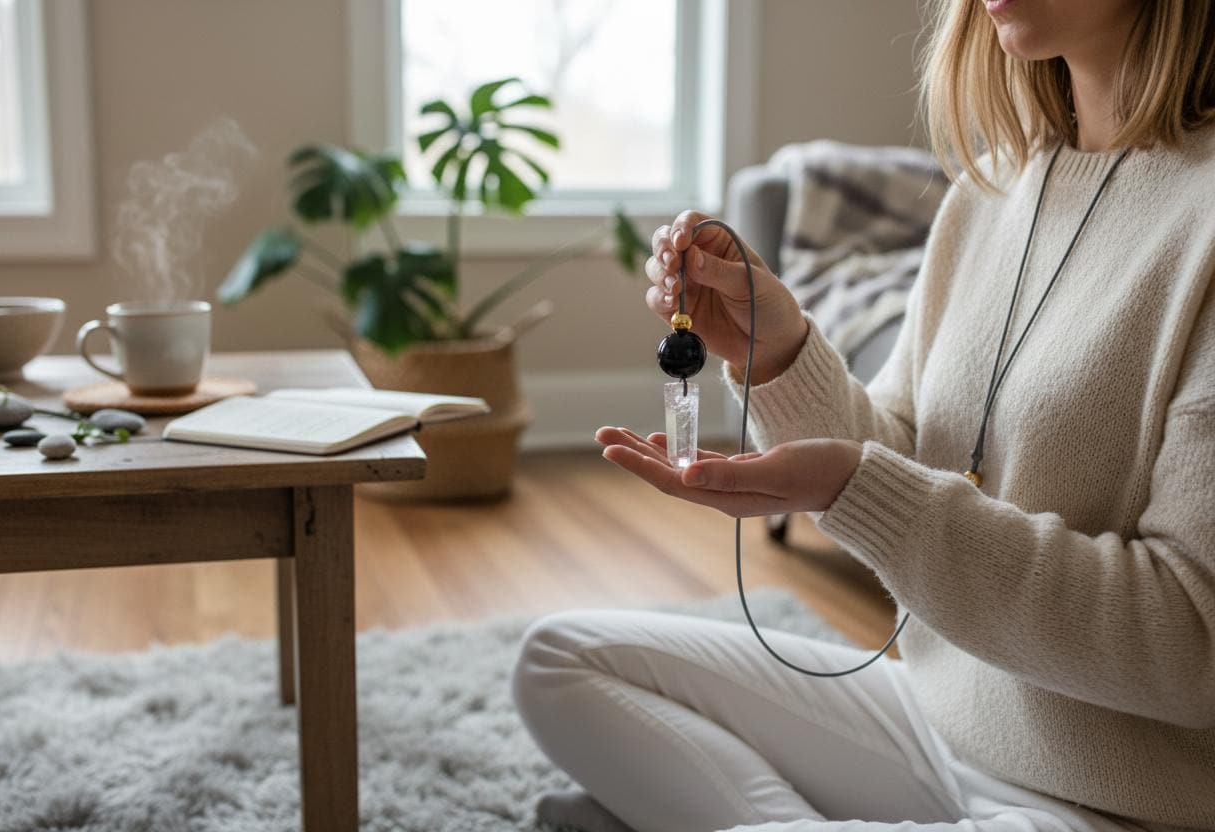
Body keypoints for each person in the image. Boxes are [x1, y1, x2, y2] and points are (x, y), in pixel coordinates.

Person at [511, 1, 1215, 830]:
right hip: (935, 722)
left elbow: (1192, 644)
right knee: (559, 661)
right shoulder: (990, 195)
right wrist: (776, 352)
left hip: (1122, 804)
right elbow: (908, 453)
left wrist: (857, 487)